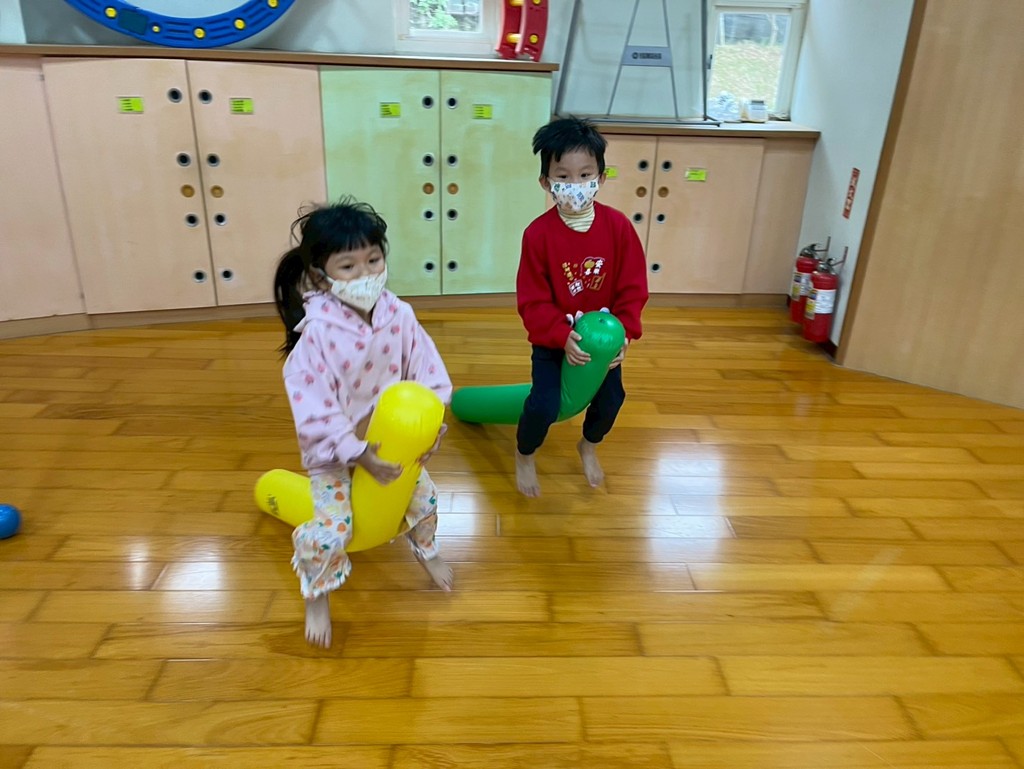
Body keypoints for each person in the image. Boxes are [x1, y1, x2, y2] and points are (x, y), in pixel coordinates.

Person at [273, 197, 454, 649]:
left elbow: (429, 373)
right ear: (321, 275)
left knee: (427, 498)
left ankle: (427, 551)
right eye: (349, 266)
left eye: (373, 260)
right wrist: (356, 452)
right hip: (338, 456)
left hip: (392, 447)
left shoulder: (400, 315)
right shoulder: (316, 335)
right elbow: (315, 410)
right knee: (334, 531)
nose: (366, 273)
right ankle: (316, 592)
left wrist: (431, 425)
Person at [515, 116, 649, 497]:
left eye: (585, 175)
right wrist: (560, 336)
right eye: (563, 176)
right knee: (544, 406)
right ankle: (525, 453)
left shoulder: (618, 228)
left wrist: (625, 335)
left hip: (602, 346)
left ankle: (588, 445)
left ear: (601, 177)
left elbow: (633, 288)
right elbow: (532, 300)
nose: (575, 185)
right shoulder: (537, 235)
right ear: (546, 182)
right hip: (554, 342)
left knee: (612, 399)